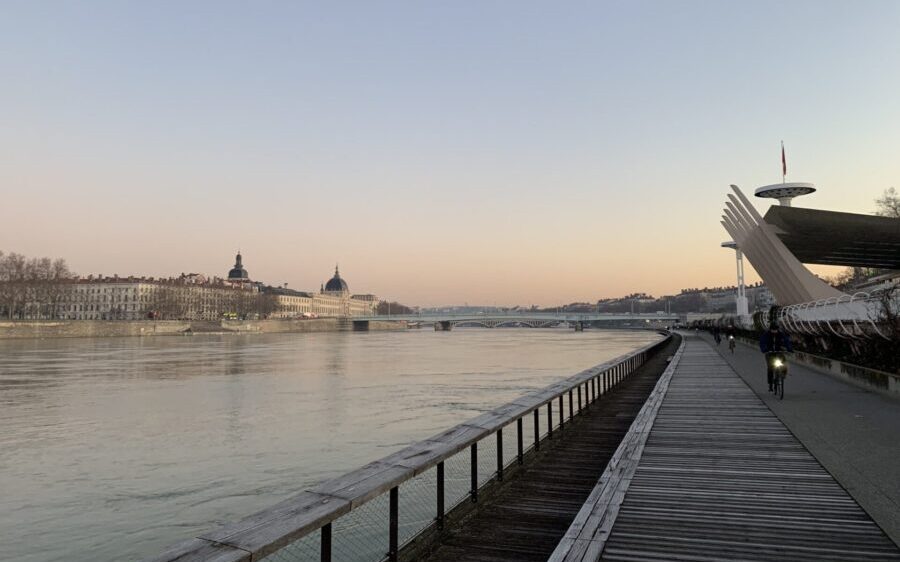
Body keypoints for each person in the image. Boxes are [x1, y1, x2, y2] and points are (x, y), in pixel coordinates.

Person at [759, 323, 793, 391]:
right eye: (773, 330)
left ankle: (783, 374)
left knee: (784, 363)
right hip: (769, 352)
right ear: (770, 329)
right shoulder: (766, 335)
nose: (774, 331)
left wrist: (789, 348)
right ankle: (770, 383)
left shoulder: (781, 334)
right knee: (770, 367)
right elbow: (762, 342)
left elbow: (786, 341)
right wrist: (764, 349)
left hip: (778, 351)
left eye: (776, 330)